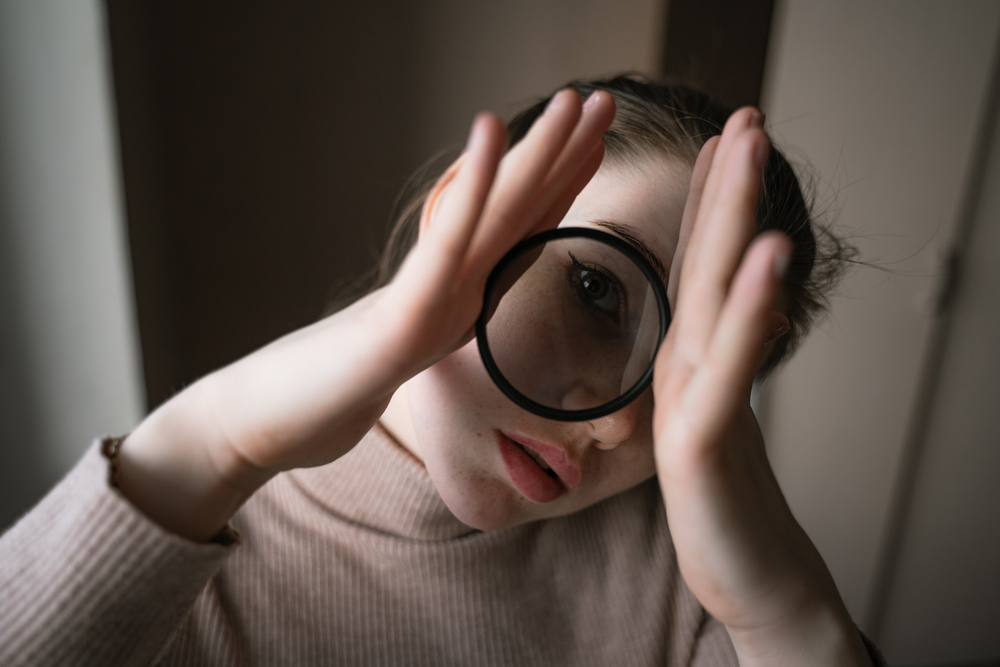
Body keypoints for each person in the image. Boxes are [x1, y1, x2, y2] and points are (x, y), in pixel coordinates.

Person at [0, 75, 882, 666]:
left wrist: (786, 619)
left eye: (700, 372)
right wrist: (210, 438)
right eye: (594, 291)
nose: (616, 421)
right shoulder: (179, 530)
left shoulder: (692, 595)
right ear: (465, 206)